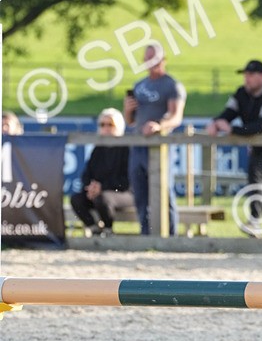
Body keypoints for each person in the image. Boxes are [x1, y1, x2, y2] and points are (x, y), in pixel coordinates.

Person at [206, 59, 262, 236]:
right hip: (260, 147)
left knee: (259, 169)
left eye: (251, 75)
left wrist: (232, 129)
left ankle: (255, 219)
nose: (247, 78)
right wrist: (216, 123)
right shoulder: (242, 94)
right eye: (245, 75)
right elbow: (227, 114)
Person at [123, 42, 186, 234]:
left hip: (160, 146)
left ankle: (171, 235)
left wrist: (159, 126)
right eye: (147, 58)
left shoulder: (172, 85)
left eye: (154, 58)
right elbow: (131, 122)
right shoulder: (139, 85)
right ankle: (146, 234)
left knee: (164, 192)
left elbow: (176, 116)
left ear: (163, 59)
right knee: (140, 194)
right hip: (138, 145)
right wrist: (127, 110)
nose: (150, 62)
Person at [70, 108, 133, 235]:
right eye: (102, 124)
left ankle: (109, 230)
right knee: (76, 199)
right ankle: (94, 228)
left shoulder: (126, 148)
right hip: (101, 192)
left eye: (110, 124)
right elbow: (87, 174)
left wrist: (102, 187)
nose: (106, 128)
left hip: (124, 193)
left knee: (103, 199)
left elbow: (126, 181)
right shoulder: (98, 148)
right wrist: (91, 186)